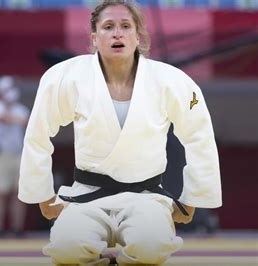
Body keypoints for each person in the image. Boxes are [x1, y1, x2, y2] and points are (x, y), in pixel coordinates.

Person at [18, 0, 222, 265]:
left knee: (152, 249)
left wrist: (193, 197)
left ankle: (116, 255)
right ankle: (107, 256)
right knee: (67, 250)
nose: (117, 33)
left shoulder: (170, 81)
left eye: (126, 26)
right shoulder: (68, 77)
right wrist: (42, 193)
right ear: (94, 38)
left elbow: (199, 135)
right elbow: (37, 133)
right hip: (86, 196)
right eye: (108, 26)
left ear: (138, 37)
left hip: (146, 198)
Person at [0, 75, 30, 237]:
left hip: (19, 154)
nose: (10, 93)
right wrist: (17, 119)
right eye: (6, 90)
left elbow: (28, 121)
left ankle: (17, 228)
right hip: (0, 155)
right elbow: (3, 118)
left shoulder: (21, 108)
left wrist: (18, 119)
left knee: (18, 192)